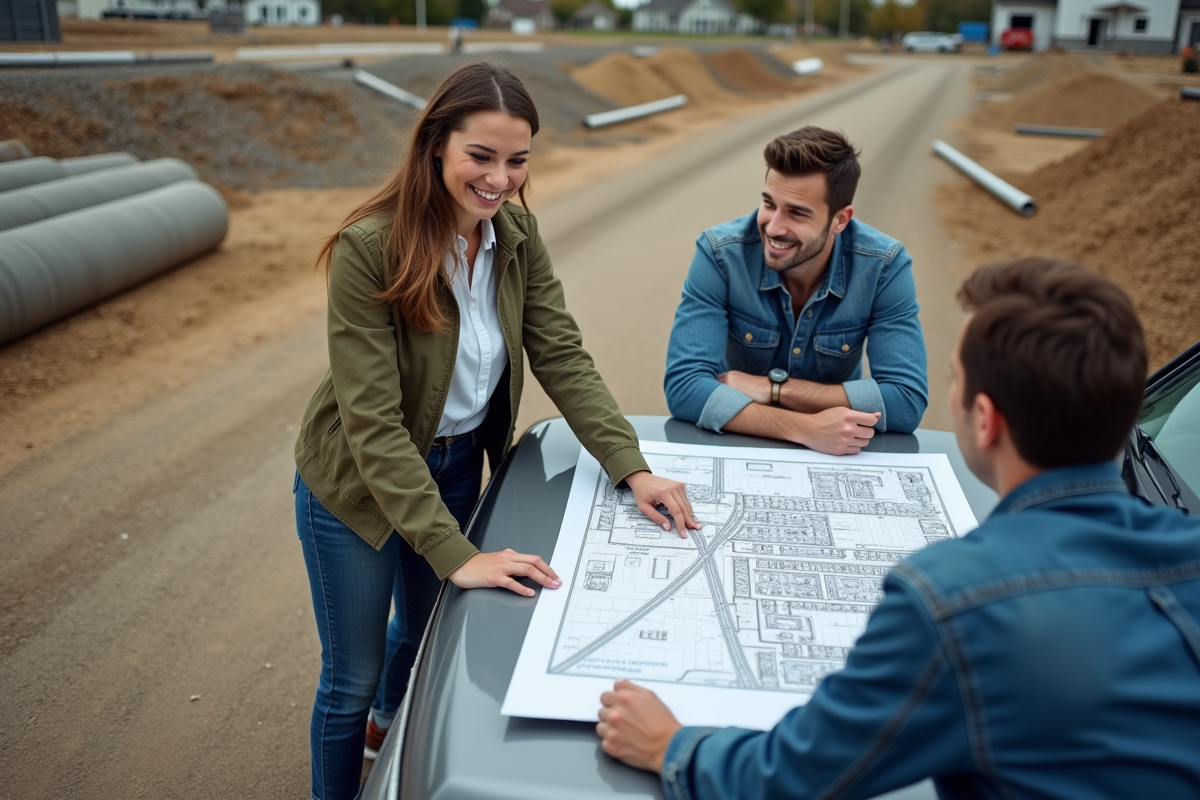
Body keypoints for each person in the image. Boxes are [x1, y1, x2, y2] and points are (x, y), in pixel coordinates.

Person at [597, 256, 1200, 799]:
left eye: (958, 379)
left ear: (984, 420)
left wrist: (671, 746)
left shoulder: (950, 601)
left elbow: (793, 778)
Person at [292, 61, 699, 800]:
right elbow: (374, 424)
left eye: (517, 161)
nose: (500, 179)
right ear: (436, 146)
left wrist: (630, 466)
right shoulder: (367, 248)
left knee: (424, 639)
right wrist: (455, 552)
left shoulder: (515, 232)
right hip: (354, 484)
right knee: (347, 680)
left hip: (451, 471)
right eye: (481, 156)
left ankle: (392, 721)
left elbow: (560, 352)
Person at [663, 126, 928, 456]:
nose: (773, 228)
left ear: (840, 220)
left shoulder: (883, 266)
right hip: (738, 443)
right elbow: (685, 387)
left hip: (837, 451)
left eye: (797, 212)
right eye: (769, 204)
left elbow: (905, 400)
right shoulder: (720, 254)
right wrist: (803, 428)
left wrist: (772, 389)